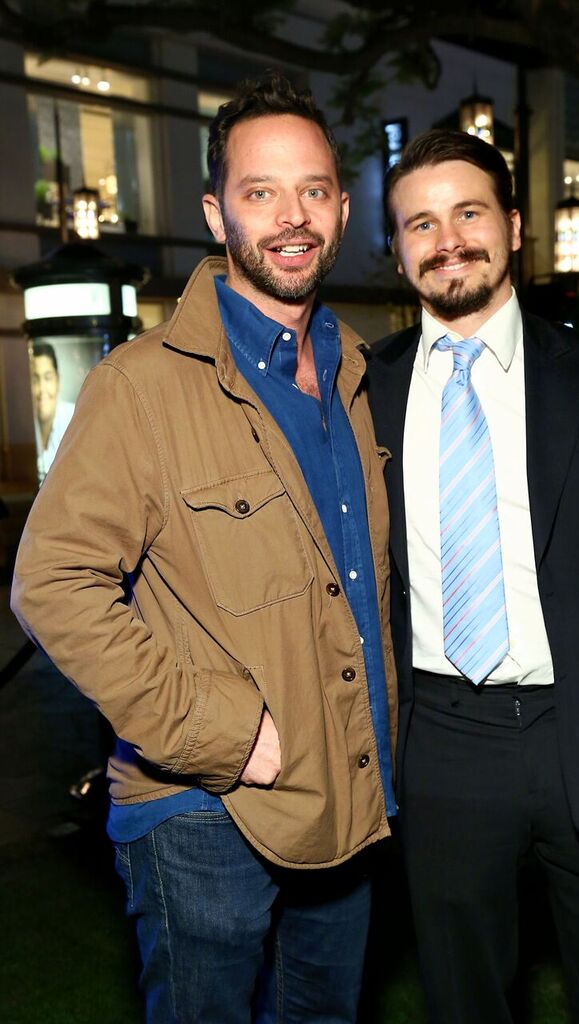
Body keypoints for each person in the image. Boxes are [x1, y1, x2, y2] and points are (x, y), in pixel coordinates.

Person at [12, 73, 397, 1024]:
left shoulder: (356, 373)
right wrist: (218, 736)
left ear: (343, 209)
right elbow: (52, 582)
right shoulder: (141, 386)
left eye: (312, 189)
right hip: (204, 818)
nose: (291, 216)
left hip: (347, 802)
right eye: (260, 192)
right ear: (215, 213)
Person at [366, 129, 579, 1024]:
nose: (448, 241)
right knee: (461, 997)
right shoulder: (362, 392)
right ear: (397, 250)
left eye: (468, 213)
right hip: (440, 740)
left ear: (514, 227)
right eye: (420, 224)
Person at [30, 341, 75, 479]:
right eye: (35, 379)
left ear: (58, 380)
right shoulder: (22, 425)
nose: (42, 389)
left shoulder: (75, 418)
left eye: (47, 378)